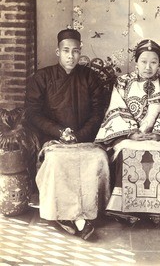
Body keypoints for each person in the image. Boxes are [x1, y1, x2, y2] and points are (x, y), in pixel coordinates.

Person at [95, 39, 160, 225]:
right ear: (136, 63)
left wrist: (159, 134)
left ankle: (159, 208)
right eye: (143, 61)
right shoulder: (123, 83)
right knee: (126, 152)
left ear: (159, 63)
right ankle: (126, 208)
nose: (148, 67)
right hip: (130, 136)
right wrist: (131, 133)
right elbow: (116, 109)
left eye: (153, 62)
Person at [25, 29, 110, 240]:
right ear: (58, 52)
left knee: (98, 158)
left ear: (80, 52)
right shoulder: (42, 78)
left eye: (75, 51)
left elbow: (98, 112)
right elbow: (33, 114)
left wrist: (80, 135)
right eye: (66, 51)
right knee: (55, 161)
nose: (70, 56)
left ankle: (83, 214)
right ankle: (73, 218)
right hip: (54, 140)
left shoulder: (90, 77)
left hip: (85, 139)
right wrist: (59, 132)